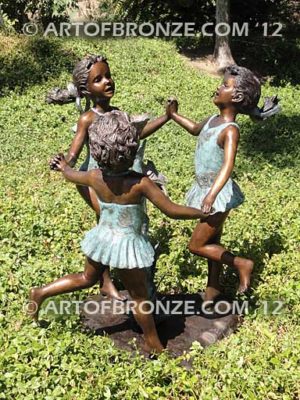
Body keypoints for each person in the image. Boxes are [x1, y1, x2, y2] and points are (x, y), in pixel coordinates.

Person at [28, 110, 208, 354]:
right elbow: (172, 211)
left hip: (102, 239)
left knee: (86, 278)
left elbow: (71, 175)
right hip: (126, 247)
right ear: (131, 148)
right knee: (140, 297)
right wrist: (199, 213)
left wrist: (62, 166)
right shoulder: (140, 183)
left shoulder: (94, 176)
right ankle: (154, 344)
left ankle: (41, 292)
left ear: (97, 149)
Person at [46, 54, 170, 301]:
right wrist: (63, 164)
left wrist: (165, 117)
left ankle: (108, 281)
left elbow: (138, 133)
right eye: (98, 79)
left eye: (108, 76)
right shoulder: (87, 119)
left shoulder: (118, 113)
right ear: (86, 89)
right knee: (110, 228)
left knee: (112, 229)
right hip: (96, 182)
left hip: (120, 180)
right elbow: (74, 152)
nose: (107, 82)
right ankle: (112, 281)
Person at [167, 65, 280, 303]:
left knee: (196, 245)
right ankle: (213, 288)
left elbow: (228, 166)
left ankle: (241, 263)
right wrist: (173, 115)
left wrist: (211, 196)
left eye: (225, 85)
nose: (219, 87)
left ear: (237, 97)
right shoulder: (211, 120)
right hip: (204, 188)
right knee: (212, 241)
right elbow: (194, 129)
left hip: (218, 194)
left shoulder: (230, 130)